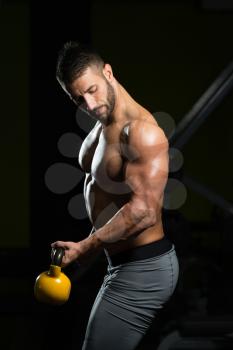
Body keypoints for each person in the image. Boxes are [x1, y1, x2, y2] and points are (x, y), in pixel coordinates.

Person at [51, 41, 179, 350]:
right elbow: (112, 196)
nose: (90, 105)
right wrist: (92, 248)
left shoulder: (141, 132)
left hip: (145, 269)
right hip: (119, 261)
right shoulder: (103, 122)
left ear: (108, 72)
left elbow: (143, 211)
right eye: (78, 99)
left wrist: (85, 246)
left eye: (92, 90)